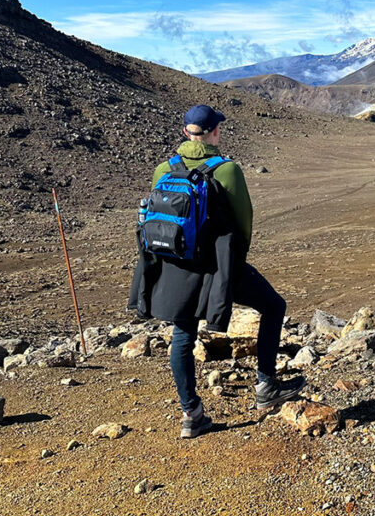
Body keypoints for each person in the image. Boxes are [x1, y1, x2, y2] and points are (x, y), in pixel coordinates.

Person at [129, 104, 304, 438]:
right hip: (218, 269)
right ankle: (266, 385)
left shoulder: (163, 169)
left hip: (175, 267)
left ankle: (191, 414)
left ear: (185, 132)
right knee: (273, 306)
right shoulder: (227, 170)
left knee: (183, 334)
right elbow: (244, 222)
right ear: (215, 133)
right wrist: (232, 265)